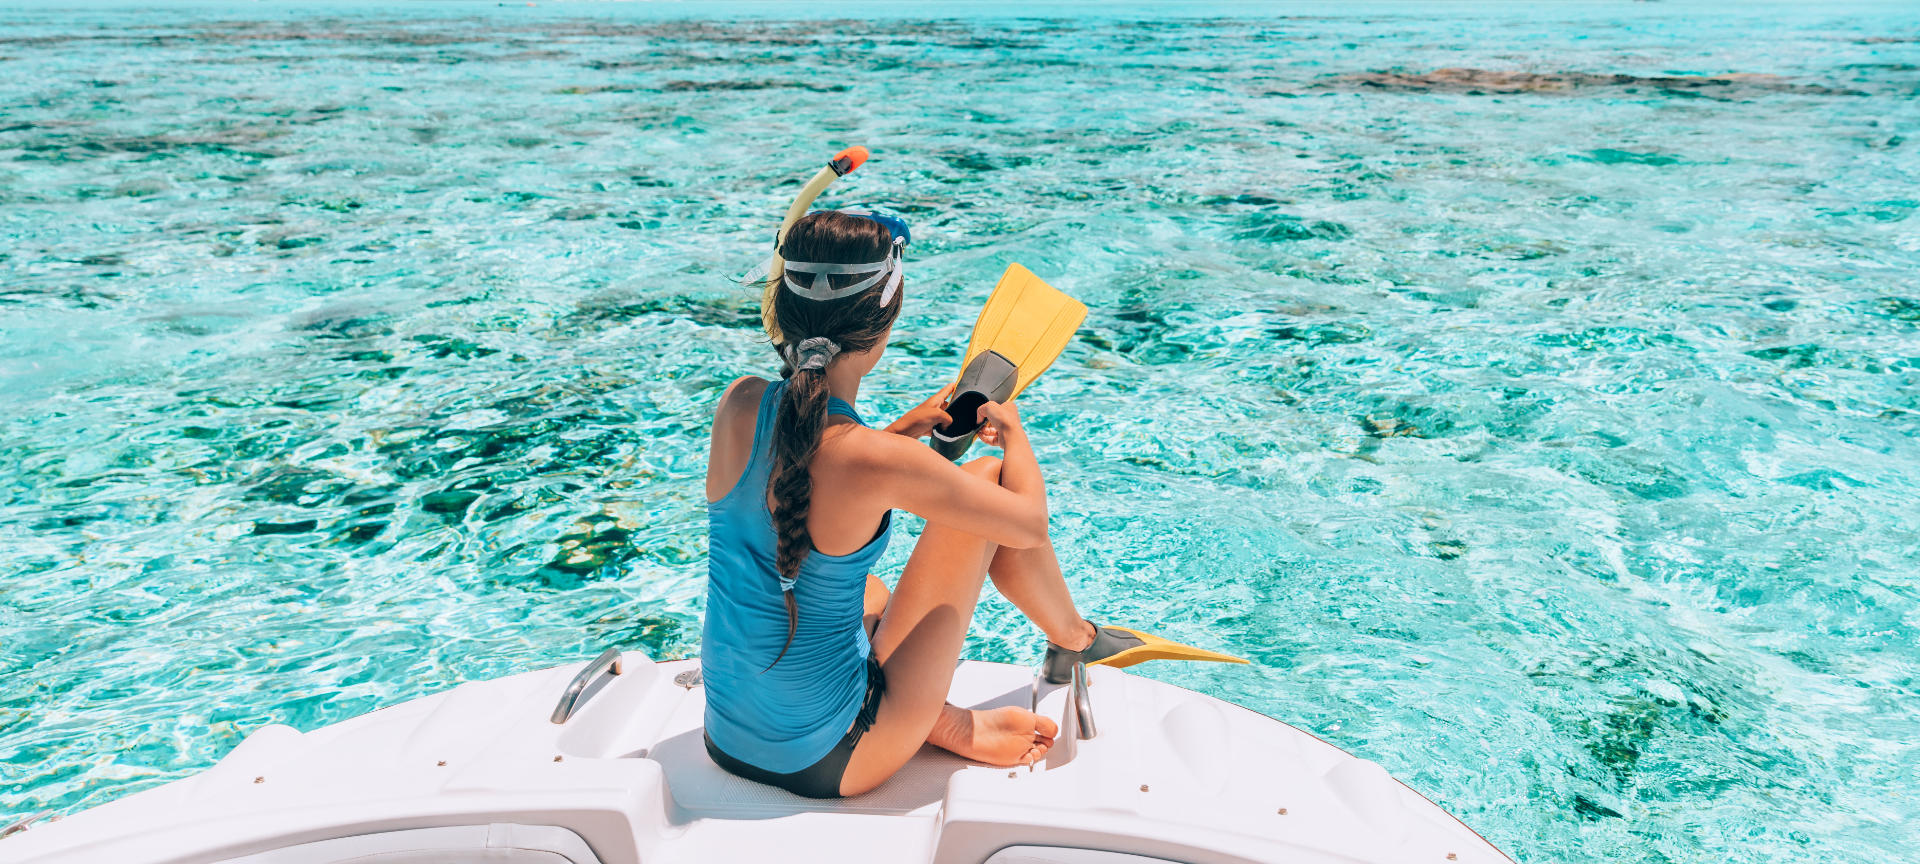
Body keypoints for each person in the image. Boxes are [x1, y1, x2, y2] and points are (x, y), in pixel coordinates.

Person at [700, 209, 1100, 799]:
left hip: (728, 736)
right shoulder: (877, 461)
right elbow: (1028, 524)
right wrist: (1015, 433)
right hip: (833, 759)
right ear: (884, 324)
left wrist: (896, 435)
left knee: (870, 595)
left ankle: (926, 714)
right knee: (988, 478)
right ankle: (1075, 640)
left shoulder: (740, 404)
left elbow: (810, 485)